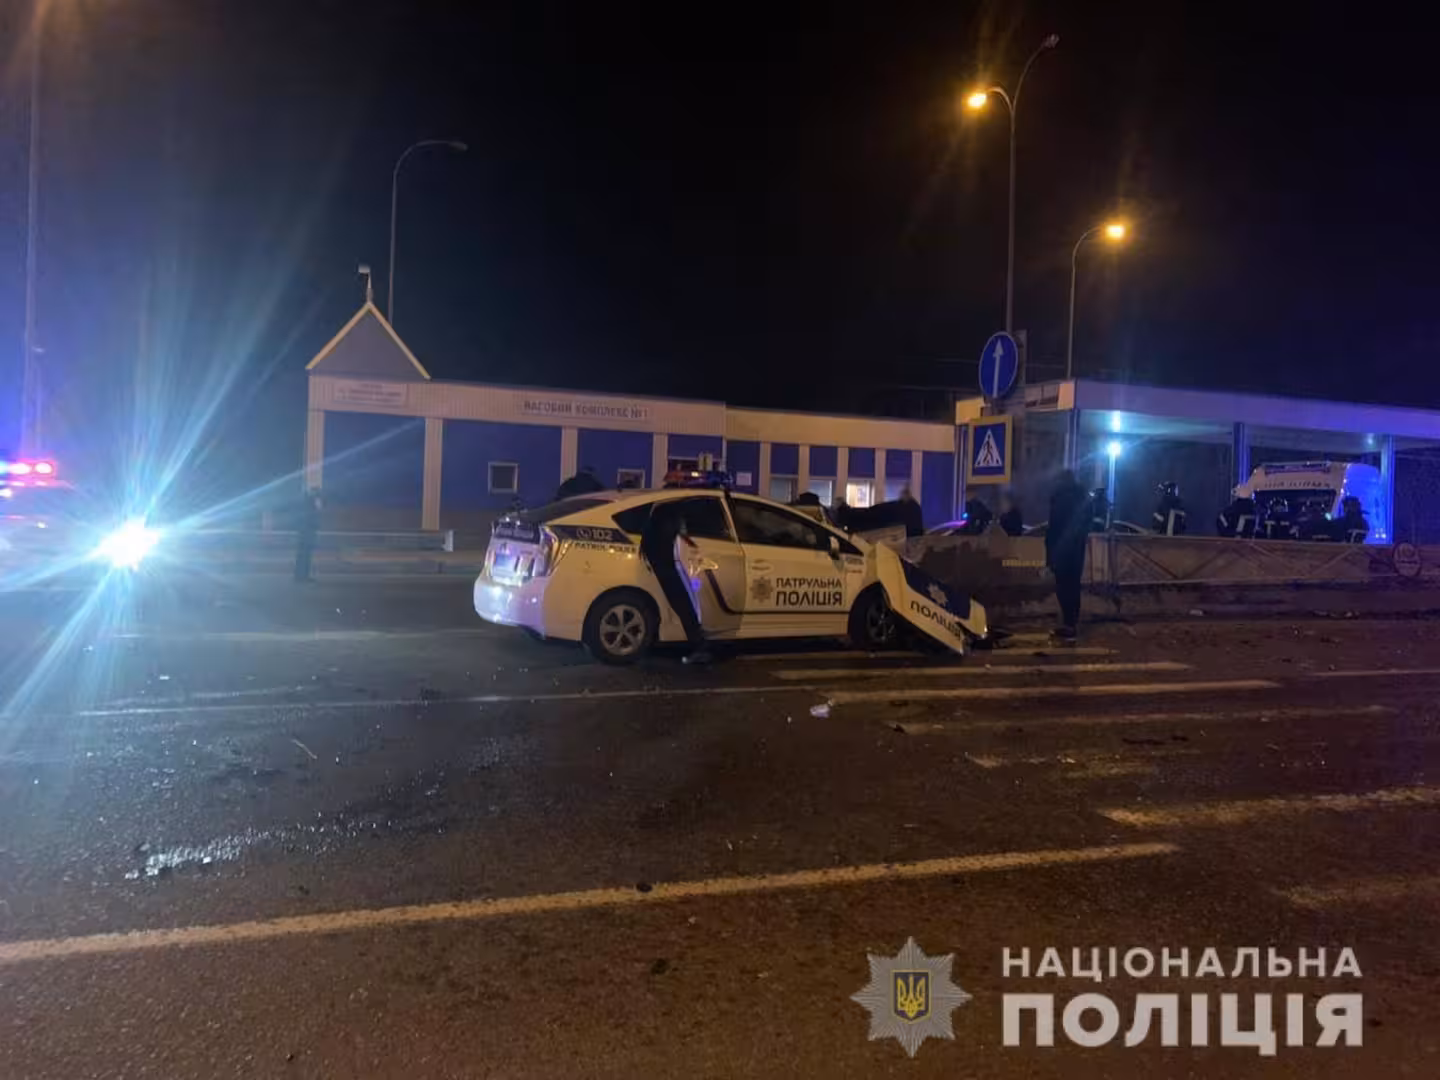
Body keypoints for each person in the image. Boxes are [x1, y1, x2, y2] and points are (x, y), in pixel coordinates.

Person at [640, 499, 711, 664]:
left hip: (665, 569)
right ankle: (699, 646)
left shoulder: (653, 531)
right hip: (673, 570)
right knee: (687, 607)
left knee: (684, 606)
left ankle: (698, 644)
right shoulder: (670, 537)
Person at [1046, 470, 1091, 641]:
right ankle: (1071, 623)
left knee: (1063, 587)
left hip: (1061, 550)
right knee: (1073, 585)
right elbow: (1087, 522)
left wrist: (1050, 553)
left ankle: (1069, 625)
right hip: (1076, 549)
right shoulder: (1083, 497)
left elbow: (1054, 527)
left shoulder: (1059, 498)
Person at [294, 488, 322, 582]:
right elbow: (312, 516)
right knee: (305, 555)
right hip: (307, 532)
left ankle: (301, 576)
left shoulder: (306, 501)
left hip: (305, 532)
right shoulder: (310, 502)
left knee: (304, 555)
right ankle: (302, 576)